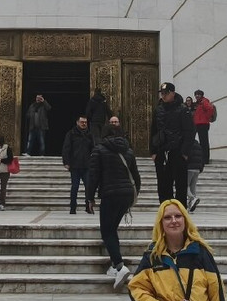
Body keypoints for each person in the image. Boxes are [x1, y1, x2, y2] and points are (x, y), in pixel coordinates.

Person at [85, 115, 142, 290]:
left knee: (107, 231)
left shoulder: (99, 149)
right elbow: (136, 176)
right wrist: (133, 194)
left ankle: (119, 266)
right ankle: (113, 264)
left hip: (110, 194)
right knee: (112, 229)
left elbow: (93, 175)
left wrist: (89, 197)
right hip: (125, 195)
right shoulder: (128, 150)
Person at [150, 82, 194, 204]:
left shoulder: (183, 110)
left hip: (177, 151)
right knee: (163, 183)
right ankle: (165, 209)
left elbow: (189, 132)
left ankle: (180, 211)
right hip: (161, 151)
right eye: (162, 93)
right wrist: (153, 151)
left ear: (173, 93)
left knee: (180, 184)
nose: (163, 96)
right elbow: (153, 130)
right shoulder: (158, 109)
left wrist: (185, 152)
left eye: (166, 93)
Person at [62, 115, 94, 214]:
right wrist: (66, 162)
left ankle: (88, 207)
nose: (84, 124)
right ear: (77, 122)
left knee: (88, 187)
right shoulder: (71, 134)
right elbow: (66, 148)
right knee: (74, 187)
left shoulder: (90, 134)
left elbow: (93, 149)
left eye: (85, 122)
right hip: (75, 165)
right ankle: (73, 207)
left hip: (87, 165)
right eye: (82, 122)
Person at [191, 90, 216, 164]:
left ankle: (205, 159)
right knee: (202, 141)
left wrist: (206, 118)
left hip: (203, 124)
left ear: (201, 95)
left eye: (198, 94)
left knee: (204, 142)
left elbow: (210, 109)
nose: (197, 96)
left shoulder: (204, 101)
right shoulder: (199, 103)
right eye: (196, 95)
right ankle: (203, 158)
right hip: (198, 123)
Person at [185, 132, 205, 213]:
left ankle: (192, 198)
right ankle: (191, 206)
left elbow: (188, 156)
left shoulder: (188, 144)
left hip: (189, 168)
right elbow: (202, 157)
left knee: (185, 185)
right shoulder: (198, 144)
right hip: (197, 169)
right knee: (193, 187)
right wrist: (201, 168)